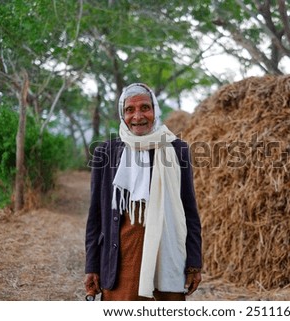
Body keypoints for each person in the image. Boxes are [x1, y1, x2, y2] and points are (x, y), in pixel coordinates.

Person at [84, 83, 202, 301]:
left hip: (166, 257)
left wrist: (194, 263)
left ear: (155, 110)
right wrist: (91, 265)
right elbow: (96, 216)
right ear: (122, 114)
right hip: (122, 261)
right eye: (130, 110)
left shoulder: (176, 150)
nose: (138, 116)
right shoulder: (106, 152)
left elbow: (188, 210)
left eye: (145, 108)